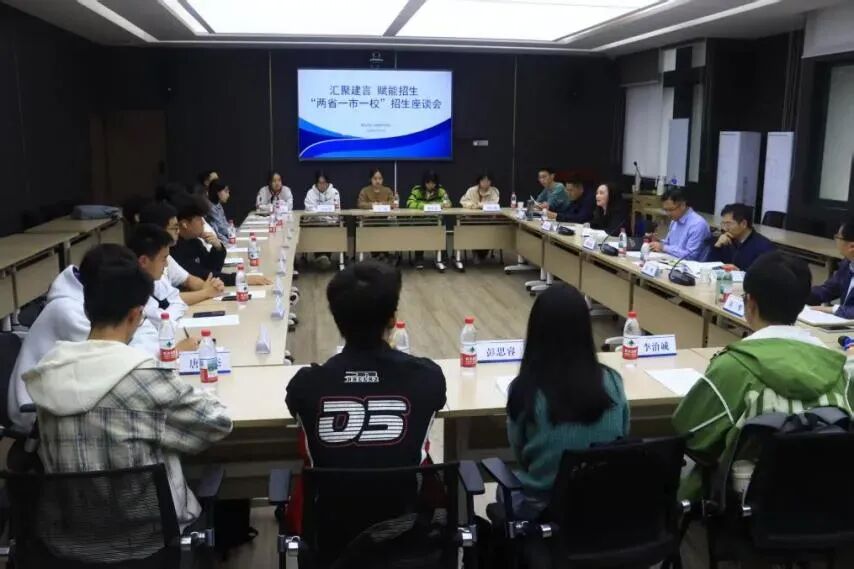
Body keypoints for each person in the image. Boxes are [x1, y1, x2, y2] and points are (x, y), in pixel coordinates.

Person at [23, 249, 232, 544]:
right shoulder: (144, 376)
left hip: (70, 542)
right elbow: (217, 423)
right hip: (148, 540)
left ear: (87, 310)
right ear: (136, 315)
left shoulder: (49, 372)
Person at [673, 252, 851, 500]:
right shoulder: (839, 368)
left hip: (745, 504)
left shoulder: (732, 366)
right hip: (826, 500)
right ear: (801, 304)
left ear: (751, 304)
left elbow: (690, 433)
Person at [285, 261, 446, 533]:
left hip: (330, 536)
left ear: (336, 318)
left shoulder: (306, 385)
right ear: (392, 319)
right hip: (407, 535)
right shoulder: (427, 377)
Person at [7, 245, 199, 431]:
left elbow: (145, 328)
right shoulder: (68, 310)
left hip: (74, 399)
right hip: (40, 413)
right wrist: (171, 352)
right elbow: (119, 362)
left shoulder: (94, 300)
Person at [503, 284, 628, 519]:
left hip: (544, 509)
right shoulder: (613, 381)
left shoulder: (524, 389)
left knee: (504, 491)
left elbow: (519, 454)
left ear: (536, 331)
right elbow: (623, 434)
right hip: (604, 505)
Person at [170, 192, 270, 287]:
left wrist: (217, 248)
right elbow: (202, 275)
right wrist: (241, 278)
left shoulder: (194, 241)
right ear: (185, 224)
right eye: (199, 219)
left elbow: (212, 268)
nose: (203, 223)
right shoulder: (175, 248)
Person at [126, 224, 197, 355]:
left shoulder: (155, 280)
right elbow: (160, 324)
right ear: (143, 261)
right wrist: (176, 351)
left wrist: (165, 318)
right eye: (164, 259)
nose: (166, 264)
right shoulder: (130, 291)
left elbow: (179, 302)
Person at [139, 201, 224, 305]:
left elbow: (189, 279)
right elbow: (168, 300)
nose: (178, 231)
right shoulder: (150, 260)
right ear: (159, 229)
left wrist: (209, 287)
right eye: (174, 228)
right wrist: (206, 292)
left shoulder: (168, 255)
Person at [808, 216, 854, 318]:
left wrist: (832, 309)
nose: (836, 240)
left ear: (851, 246)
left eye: (838, 237)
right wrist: (797, 293)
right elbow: (828, 290)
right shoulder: (847, 263)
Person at [705, 203, 775, 269]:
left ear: (744, 224)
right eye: (723, 223)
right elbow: (708, 266)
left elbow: (762, 275)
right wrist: (717, 246)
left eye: (728, 224)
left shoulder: (764, 247)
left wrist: (739, 272)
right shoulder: (725, 239)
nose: (724, 228)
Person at [648, 188, 711, 261]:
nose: (668, 214)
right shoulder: (675, 220)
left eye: (671, 210)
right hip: (671, 261)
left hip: (689, 265)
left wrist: (663, 247)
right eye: (665, 210)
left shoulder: (698, 224)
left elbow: (690, 256)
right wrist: (658, 242)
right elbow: (669, 244)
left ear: (683, 205)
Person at [304, 171, 341, 268]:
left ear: (328, 183)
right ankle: (320, 256)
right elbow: (310, 210)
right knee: (317, 227)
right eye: (320, 183)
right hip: (315, 223)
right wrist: (324, 217)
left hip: (330, 223)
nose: (322, 185)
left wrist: (325, 217)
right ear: (316, 183)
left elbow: (336, 210)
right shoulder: (310, 193)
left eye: (324, 183)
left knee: (329, 228)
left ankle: (325, 257)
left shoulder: (334, 192)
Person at [206, 179, 231, 243]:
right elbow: (219, 232)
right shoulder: (210, 207)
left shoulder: (218, 204)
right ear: (217, 192)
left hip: (225, 239)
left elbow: (225, 224)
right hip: (219, 242)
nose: (228, 195)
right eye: (226, 191)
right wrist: (229, 240)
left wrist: (232, 233)